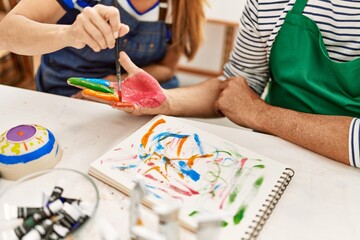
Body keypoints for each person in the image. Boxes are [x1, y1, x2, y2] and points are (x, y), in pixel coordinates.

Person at [77, 0, 360, 169]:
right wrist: (165, 101)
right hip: (273, 153)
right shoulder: (267, 4)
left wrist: (261, 114)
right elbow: (234, 90)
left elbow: (249, 107)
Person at [0, 0, 206, 97]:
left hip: (132, 95)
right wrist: (69, 34)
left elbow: (167, 68)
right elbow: (6, 33)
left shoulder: (182, 7)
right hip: (68, 94)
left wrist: (112, 84)